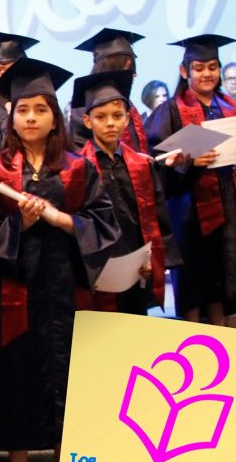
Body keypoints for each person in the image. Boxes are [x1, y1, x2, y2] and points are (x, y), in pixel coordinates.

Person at [0, 57, 118, 462]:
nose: (31, 117)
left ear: (55, 116)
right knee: (16, 380)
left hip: (65, 294)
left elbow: (104, 224)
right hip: (15, 294)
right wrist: (20, 222)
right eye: (22, 110)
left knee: (66, 380)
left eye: (40, 109)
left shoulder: (77, 167)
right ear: (10, 117)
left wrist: (58, 219)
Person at [144, 35, 236, 326]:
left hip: (225, 208)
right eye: (199, 67)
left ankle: (221, 349)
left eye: (213, 67)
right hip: (188, 211)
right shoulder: (170, 111)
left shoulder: (232, 109)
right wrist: (189, 164)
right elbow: (154, 162)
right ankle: (191, 351)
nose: (207, 74)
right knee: (193, 285)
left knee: (220, 286)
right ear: (184, 71)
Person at [74, 70, 180, 314]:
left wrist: (153, 260)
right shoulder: (76, 167)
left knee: (134, 333)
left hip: (135, 266)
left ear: (127, 119)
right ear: (88, 121)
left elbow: (158, 216)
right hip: (97, 269)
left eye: (117, 116)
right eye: (101, 116)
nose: (110, 122)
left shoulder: (141, 164)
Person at [70, 28, 149, 152]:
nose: (134, 75)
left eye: (133, 69)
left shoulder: (128, 105)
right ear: (109, 68)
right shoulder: (83, 107)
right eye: (128, 69)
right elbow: (81, 153)